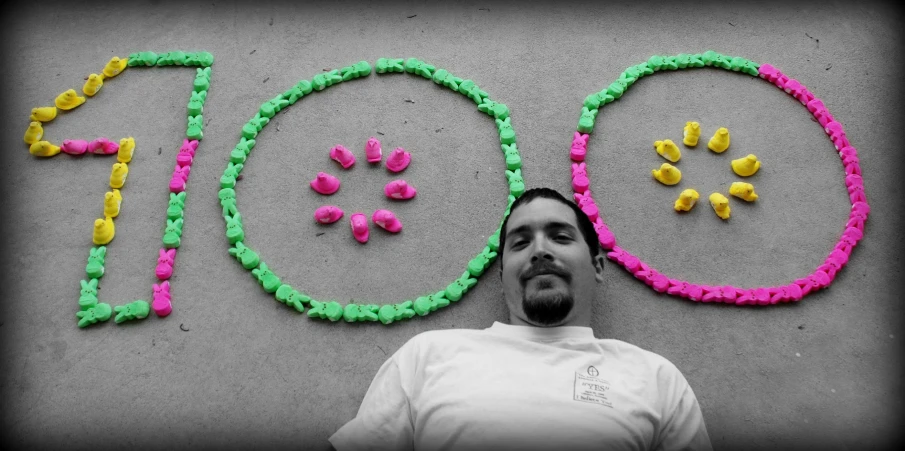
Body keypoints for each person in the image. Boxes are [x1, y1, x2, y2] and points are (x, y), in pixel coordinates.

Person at [329, 187, 712, 451]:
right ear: (501, 273)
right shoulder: (428, 356)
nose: (540, 251)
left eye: (560, 237)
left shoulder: (655, 377)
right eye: (520, 242)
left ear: (597, 266)